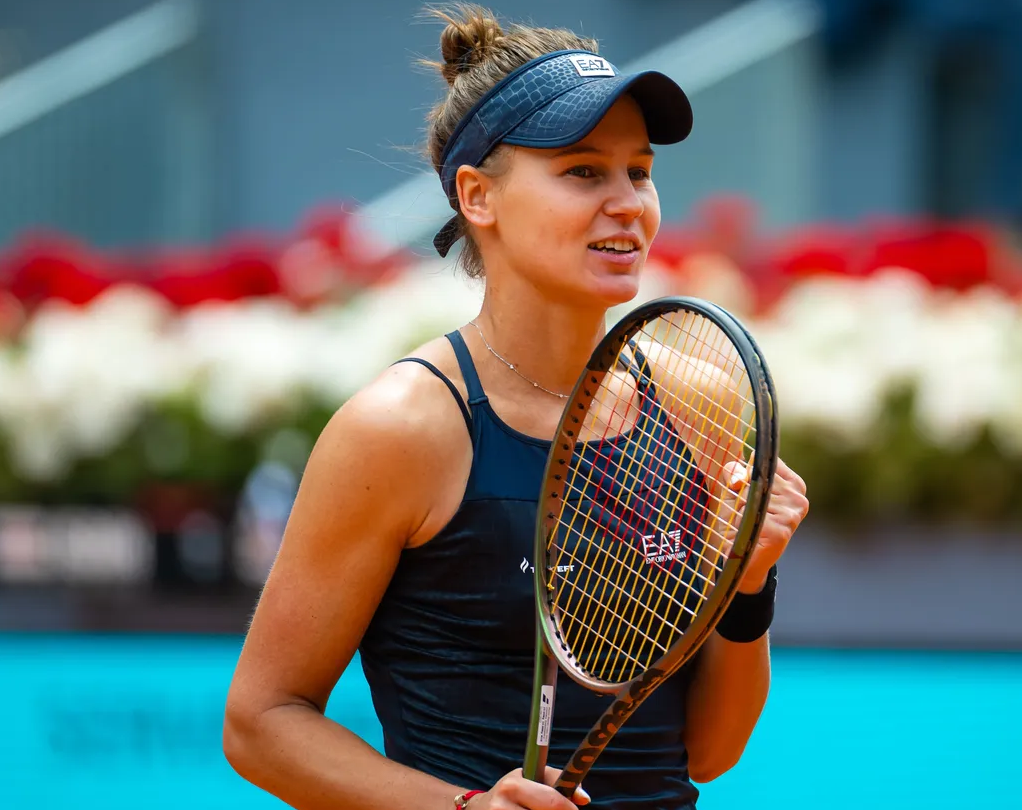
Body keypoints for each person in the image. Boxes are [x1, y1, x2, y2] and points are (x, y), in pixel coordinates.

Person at [222, 6, 809, 809]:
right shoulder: (401, 428)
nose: (628, 203)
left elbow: (708, 751)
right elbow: (261, 723)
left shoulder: (697, 398)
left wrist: (749, 585)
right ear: (478, 196)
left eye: (638, 172)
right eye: (582, 172)